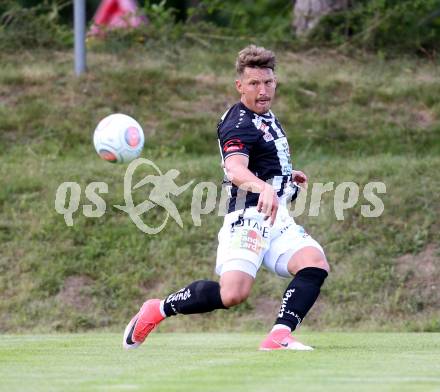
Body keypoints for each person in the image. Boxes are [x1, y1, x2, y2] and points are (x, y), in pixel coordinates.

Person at [123, 45, 330, 351]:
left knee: (314, 263)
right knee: (232, 295)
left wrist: (285, 177)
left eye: (268, 82)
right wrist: (264, 187)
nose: (263, 90)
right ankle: (158, 309)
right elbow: (235, 168)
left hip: (276, 216)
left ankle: (279, 335)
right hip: (247, 217)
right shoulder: (239, 123)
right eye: (254, 84)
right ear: (239, 86)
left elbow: (261, 157)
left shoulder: (265, 115)